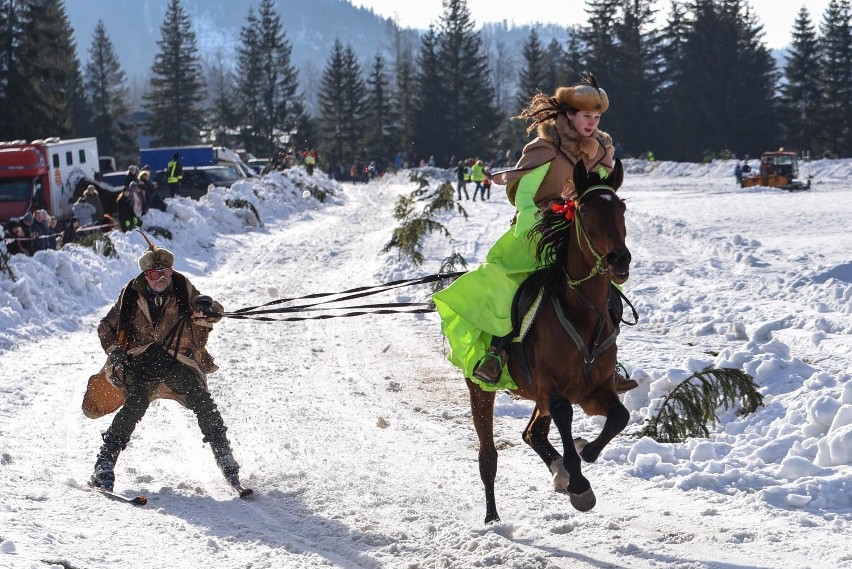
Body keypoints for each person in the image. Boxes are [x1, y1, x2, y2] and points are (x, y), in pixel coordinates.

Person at [433, 72, 637, 392]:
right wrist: (541, 213)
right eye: (586, 116)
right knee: (514, 289)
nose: (592, 123)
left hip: (578, 235)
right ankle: (495, 353)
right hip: (536, 234)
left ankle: (608, 362)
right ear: (569, 115)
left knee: (605, 289)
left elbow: (598, 191)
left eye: (597, 117)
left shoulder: (599, 152)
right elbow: (523, 196)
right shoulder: (545, 148)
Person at [88, 237, 247, 493]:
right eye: (154, 273)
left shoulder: (182, 286)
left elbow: (212, 309)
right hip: (140, 362)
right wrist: (115, 351)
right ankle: (104, 463)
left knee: (202, 400)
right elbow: (105, 326)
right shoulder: (131, 293)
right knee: (134, 405)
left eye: (166, 272)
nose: (162, 278)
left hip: (177, 361)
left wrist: (206, 307)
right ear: (145, 274)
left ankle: (225, 458)